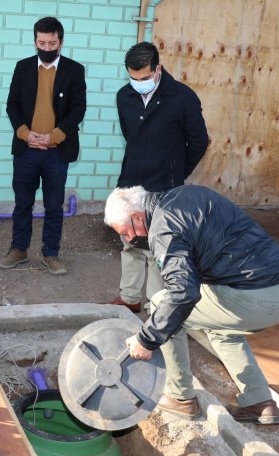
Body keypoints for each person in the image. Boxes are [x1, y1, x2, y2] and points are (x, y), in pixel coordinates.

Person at [104, 185, 279, 425]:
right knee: (221, 330)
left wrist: (146, 339)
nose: (129, 239)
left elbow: (182, 294)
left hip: (257, 297)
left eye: (126, 232)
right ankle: (259, 402)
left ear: (138, 216)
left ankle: (180, 397)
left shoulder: (162, 227)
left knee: (161, 305)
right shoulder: (187, 194)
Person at [106, 41, 208, 311]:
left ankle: (155, 304)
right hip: (131, 184)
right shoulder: (124, 96)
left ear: (158, 69)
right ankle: (129, 298)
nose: (139, 82)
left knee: (156, 249)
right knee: (130, 243)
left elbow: (199, 141)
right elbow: (131, 137)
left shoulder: (182, 97)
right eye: (133, 78)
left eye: (145, 77)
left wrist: (177, 172)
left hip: (165, 186)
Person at [0, 16, 87, 276]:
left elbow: (78, 108)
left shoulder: (74, 70)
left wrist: (55, 136)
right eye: (42, 42)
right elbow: (12, 104)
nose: (47, 48)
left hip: (57, 151)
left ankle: (51, 254)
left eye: (52, 43)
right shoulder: (22, 67)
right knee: (22, 202)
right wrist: (25, 133)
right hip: (26, 149)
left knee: (54, 205)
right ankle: (19, 250)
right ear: (35, 41)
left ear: (61, 42)